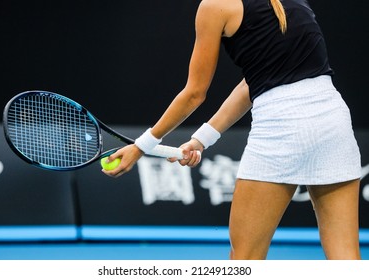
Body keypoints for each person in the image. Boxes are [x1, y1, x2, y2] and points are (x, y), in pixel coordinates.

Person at [102, 0, 362, 260]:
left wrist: (141, 146)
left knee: (244, 261)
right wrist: (202, 139)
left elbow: (194, 94)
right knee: (346, 258)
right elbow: (256, 81)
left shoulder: (214, 6)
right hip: (333, 121)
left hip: (282, 127)